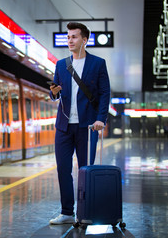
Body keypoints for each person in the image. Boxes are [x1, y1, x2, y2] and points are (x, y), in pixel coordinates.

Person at [49, 22, 110, 225]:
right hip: (63, 126)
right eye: (68, 37)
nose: (70, 40)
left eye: (74, 37)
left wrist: (101, 118)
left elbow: (104, 93)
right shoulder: (61, 64)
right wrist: (53, 93)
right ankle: (67, 212)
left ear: (84, 40)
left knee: (84, 169)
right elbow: (55, 93)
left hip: (87, 125)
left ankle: (84, 212)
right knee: (63, 169)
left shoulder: (98, 64)